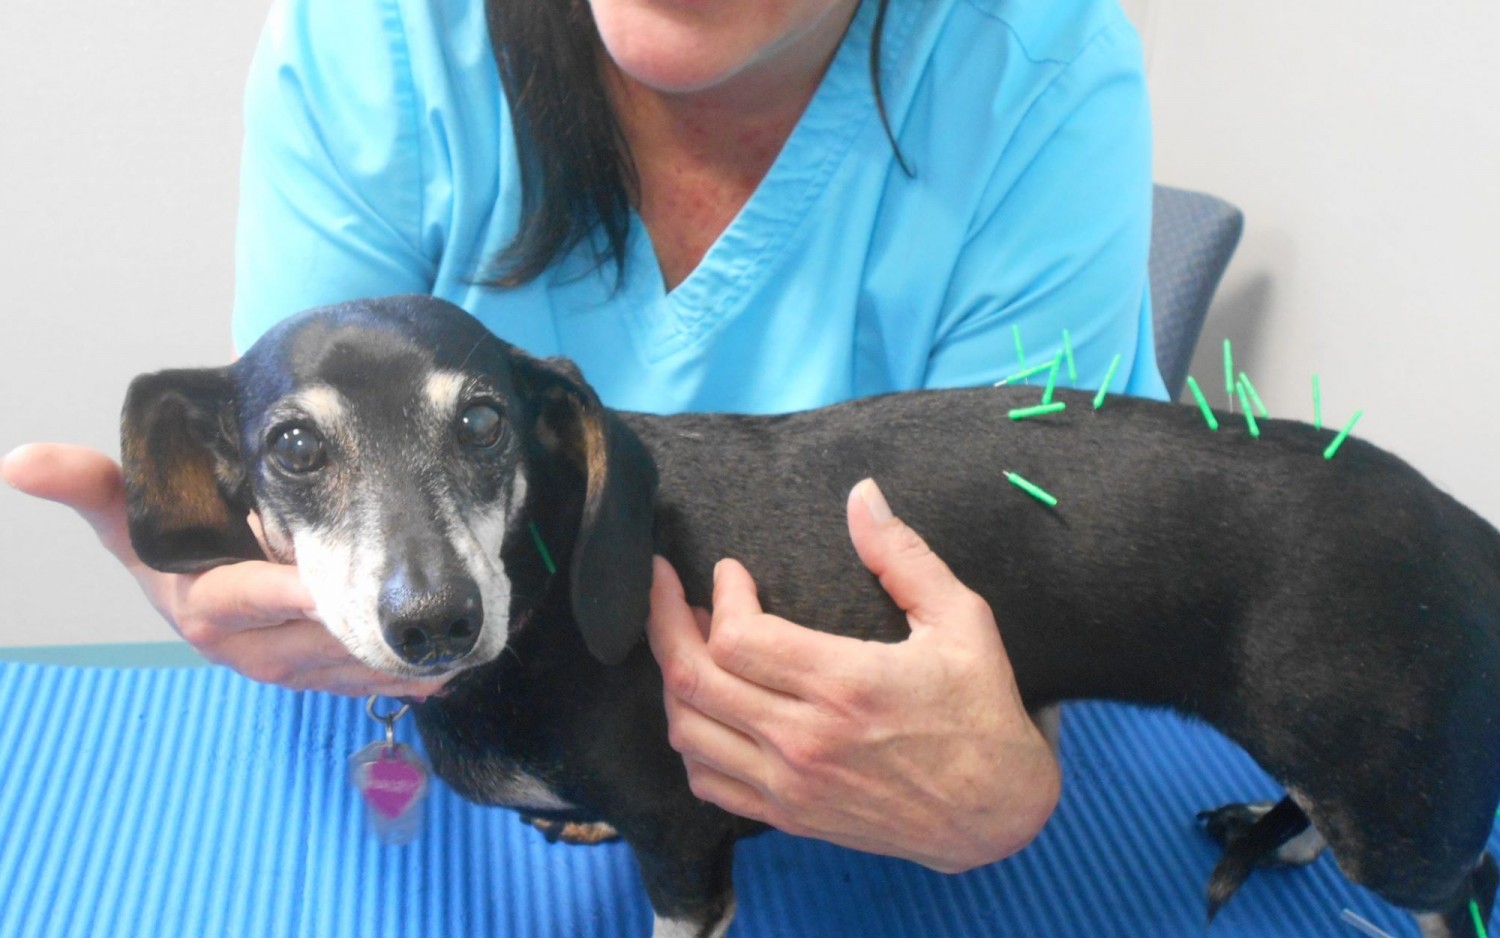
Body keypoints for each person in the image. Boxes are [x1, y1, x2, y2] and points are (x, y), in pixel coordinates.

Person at [1, 0, 1163, 873]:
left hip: (858, 846)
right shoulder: (377, 41)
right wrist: (211, 579)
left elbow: (1040, 568)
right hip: (433, 815)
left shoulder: (1035, 74)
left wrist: (1009, 782)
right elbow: (279, 485)